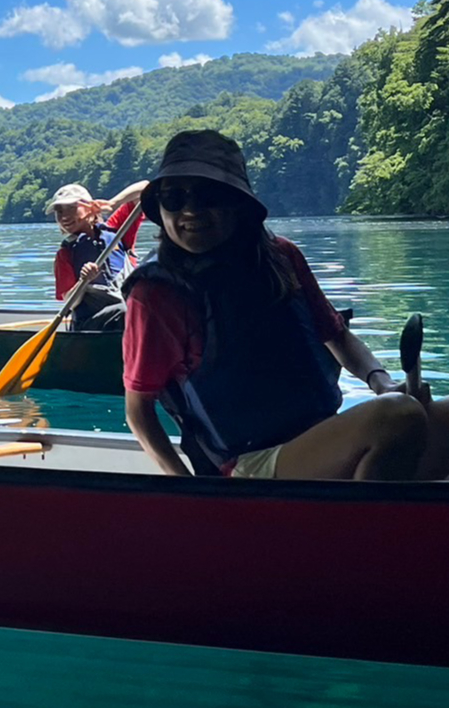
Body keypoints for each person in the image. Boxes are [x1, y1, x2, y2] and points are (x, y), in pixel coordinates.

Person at [121, 129, 449, 480]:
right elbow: (139, 411)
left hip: (317, 435)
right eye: (174, 197)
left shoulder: (282, 257)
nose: (190, 209)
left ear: (237, 203)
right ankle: (356, 530)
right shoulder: (156, 294)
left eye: (208, 194)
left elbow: (337, 336)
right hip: (248, 463)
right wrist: (191, 493)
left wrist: (382, 383)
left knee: (406, 411)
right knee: (396, 418)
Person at [49, 180, 148, 331]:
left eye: (71, 208)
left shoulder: (117, 230)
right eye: (59, 211)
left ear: (90, 207)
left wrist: (113, 203)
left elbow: (145, 187)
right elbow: (71, 302)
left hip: (128, 315)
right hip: (91, 323)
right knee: (127, 310)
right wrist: (84, 280)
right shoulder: (65, 253)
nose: (64, 216)